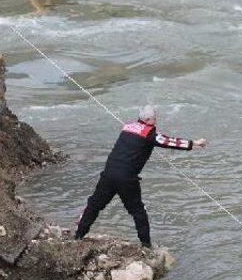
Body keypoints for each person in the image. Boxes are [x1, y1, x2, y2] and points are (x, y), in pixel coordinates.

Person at [74, 105, 207, 248]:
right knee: (138, 212)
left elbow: (141, 141)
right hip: (126, 179)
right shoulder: (149, 133)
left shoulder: (127, 127)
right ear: (149, 119)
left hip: (108, 174)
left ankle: (78, 236)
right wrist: (194, 144)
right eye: (155, 118)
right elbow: (168, 141)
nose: (156, 121)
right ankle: (146, 246)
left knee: (94, 205)